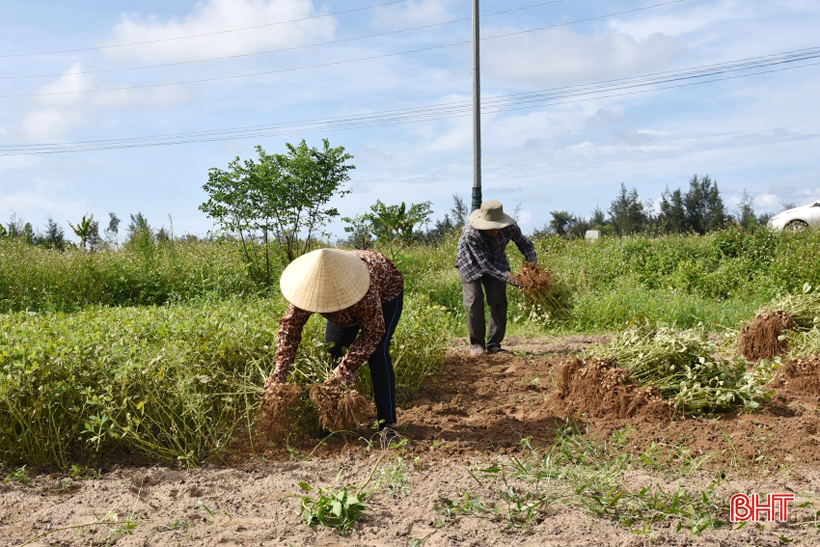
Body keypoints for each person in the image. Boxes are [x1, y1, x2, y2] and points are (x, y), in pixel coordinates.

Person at [264, 248, 404, 432]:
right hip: (350, 306)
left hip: (386, 294)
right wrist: (279, 372)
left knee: (377, 353)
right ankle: (334, 422)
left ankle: (388, 424)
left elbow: (373, 332)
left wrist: (346, 368)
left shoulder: (365, 286)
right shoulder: (307, 288)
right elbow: (290, 328)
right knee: (333, 352)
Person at [456, 200, 537, 356]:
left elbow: (526, 245)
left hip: (496, 259)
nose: (494, 231)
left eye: (497, 227)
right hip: (470, 262)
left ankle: (494, 344)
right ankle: (477, 344)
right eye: (490, 228)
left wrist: (533, 267)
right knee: (474, 299)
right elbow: (485, 266)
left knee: (498, 299)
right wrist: (512, 279)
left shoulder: (510, 228)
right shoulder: (471, 234)